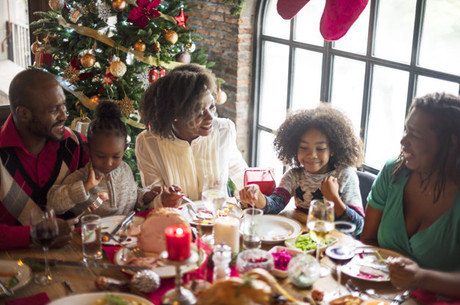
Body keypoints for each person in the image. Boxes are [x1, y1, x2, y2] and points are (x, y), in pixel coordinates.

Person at [361, 93, 460, 297]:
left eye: (415, 134)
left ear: (452, 143)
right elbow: (368, 240)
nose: (403, 140)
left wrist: (420, 277)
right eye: (406, 129)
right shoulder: (393, 171)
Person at [239, 104, 365, 235]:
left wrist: (333, 197)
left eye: (320, 148)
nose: (312, 155)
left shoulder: (345, 175)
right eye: (304, 148)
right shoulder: (294, 176)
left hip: (336, 245)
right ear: (294, 148)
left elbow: (358, 226)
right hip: (305, 239)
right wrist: (257, 196)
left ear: (332, 149)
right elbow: (275, 206)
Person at [136, 64, 247, 208]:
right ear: (175, 115)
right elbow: (152, 198)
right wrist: (162, 201)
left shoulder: (224, 130)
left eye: (212, 107)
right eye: (199, 113)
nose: (210, 117)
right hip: (175, 224)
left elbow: (240, 172)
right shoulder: (148, 142)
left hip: (218, 222)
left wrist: (253, 191)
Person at [0, 69, 89, 250]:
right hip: (13, 270)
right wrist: (33, 236)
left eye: (63, 106)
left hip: (75, 262)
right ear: (24, 114)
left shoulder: (75, 144)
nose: (64, 115)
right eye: (53, 109)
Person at [47, 101, 157, 217]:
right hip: (94, 233)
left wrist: (145, 196)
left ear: (124, 149)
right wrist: (84, 187)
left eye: (116, 156)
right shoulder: (81, 178)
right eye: (100, 156)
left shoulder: (125, 169)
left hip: (127, 231)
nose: (108, 163)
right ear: (87, 149)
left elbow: (133, 192)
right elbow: (53, 203)